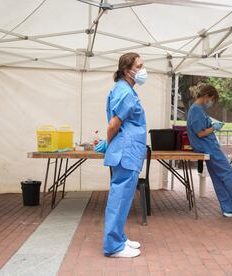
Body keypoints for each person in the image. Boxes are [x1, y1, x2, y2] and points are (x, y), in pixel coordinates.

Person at [95, 52, 147, 258]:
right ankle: (113, 247)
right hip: (126, 152)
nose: (143, 70)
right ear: (128, 71)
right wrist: (109, 143)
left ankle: (119, 237)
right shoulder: (125, 92)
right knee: (120, 198)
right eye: (140, 66)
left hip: (126, 151)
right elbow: (113, 124)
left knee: (123, 198)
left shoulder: (122, 89)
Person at [187, 84, 232, 218]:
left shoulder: (197, 109)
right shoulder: (197, 110)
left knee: (218, 178)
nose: (212, 103)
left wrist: (211, 126)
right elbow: (200, 133)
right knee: (228, 173)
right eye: (212, 99)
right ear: (207, 96)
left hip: (207, 147)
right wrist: (214, 128)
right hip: (208, 147)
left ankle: (228, 208)